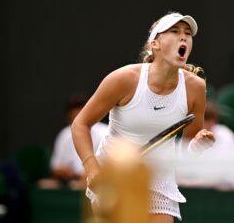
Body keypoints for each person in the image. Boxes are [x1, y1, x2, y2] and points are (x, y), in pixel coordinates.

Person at [71, 12, 215, 223]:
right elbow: (80, 124)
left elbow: (188, 143)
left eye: (187, 34)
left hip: (160, 177)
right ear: (154, 44)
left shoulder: (195, 88)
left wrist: (198, 145)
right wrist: (92, 168)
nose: (183, 37)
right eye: (174, 32)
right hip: (116, 173)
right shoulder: (124, 79)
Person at [47, 95, 108, 189]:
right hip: (70, 182)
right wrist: (67, 172)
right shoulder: (64, 134)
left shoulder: (105, 132)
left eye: (81, 111)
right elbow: (56, 168)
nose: (76, 116)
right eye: (73, 113)